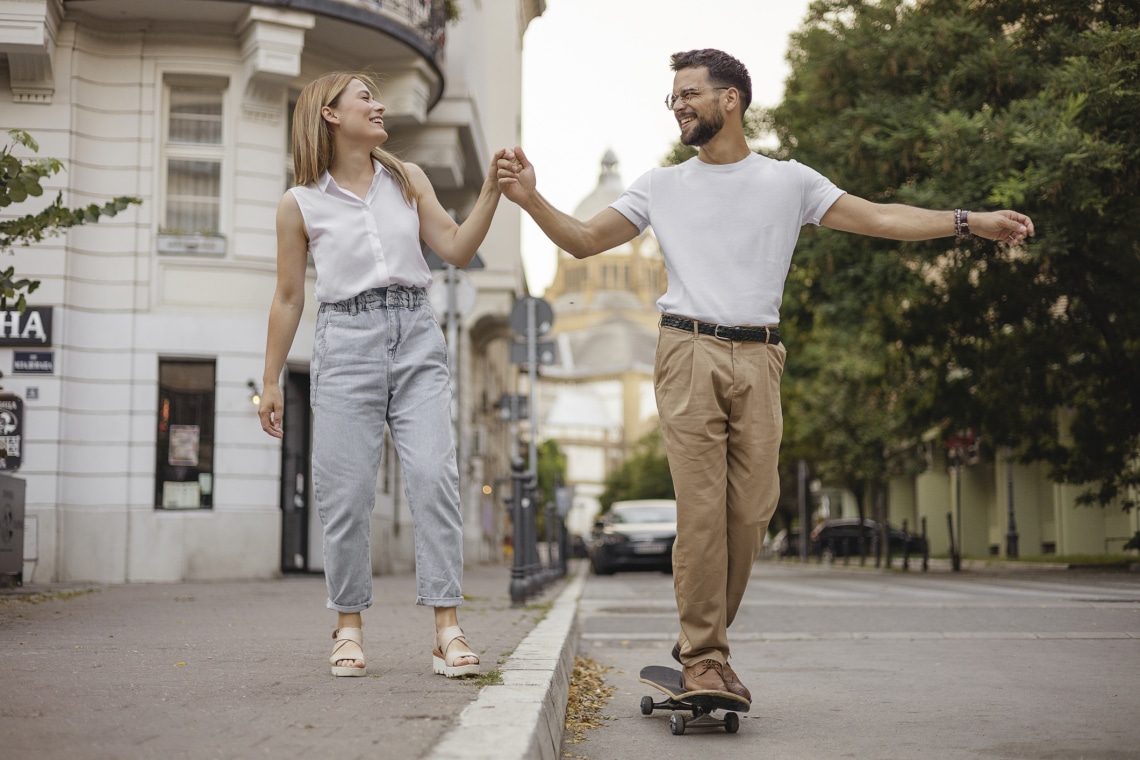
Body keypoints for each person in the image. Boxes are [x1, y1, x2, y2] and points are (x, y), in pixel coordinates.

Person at [497, 49, 1033, 701]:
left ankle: (703, 642)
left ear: (731, 100)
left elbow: (881, 217)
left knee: (752, 510)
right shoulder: (660, 186)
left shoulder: (789, 182)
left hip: (760, 356)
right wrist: (529, 199)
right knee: (700, 512)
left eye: (690, 93)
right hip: (687, 349)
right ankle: (703, 655)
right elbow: (582, 239)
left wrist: (968, 221)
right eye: (674, 98)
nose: (680, 106)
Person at [259, 71, 507, 678]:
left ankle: (447, 629)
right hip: (345, 341)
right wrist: (270, 381)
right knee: (345, 495)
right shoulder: (300, 204)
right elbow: (289, 297)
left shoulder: (407, 179)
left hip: (416, 334)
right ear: (329, 115)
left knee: (432, 476)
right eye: (364, 96)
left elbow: (450, 247)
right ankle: (347, 627)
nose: (380, 104)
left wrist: (493, 193)